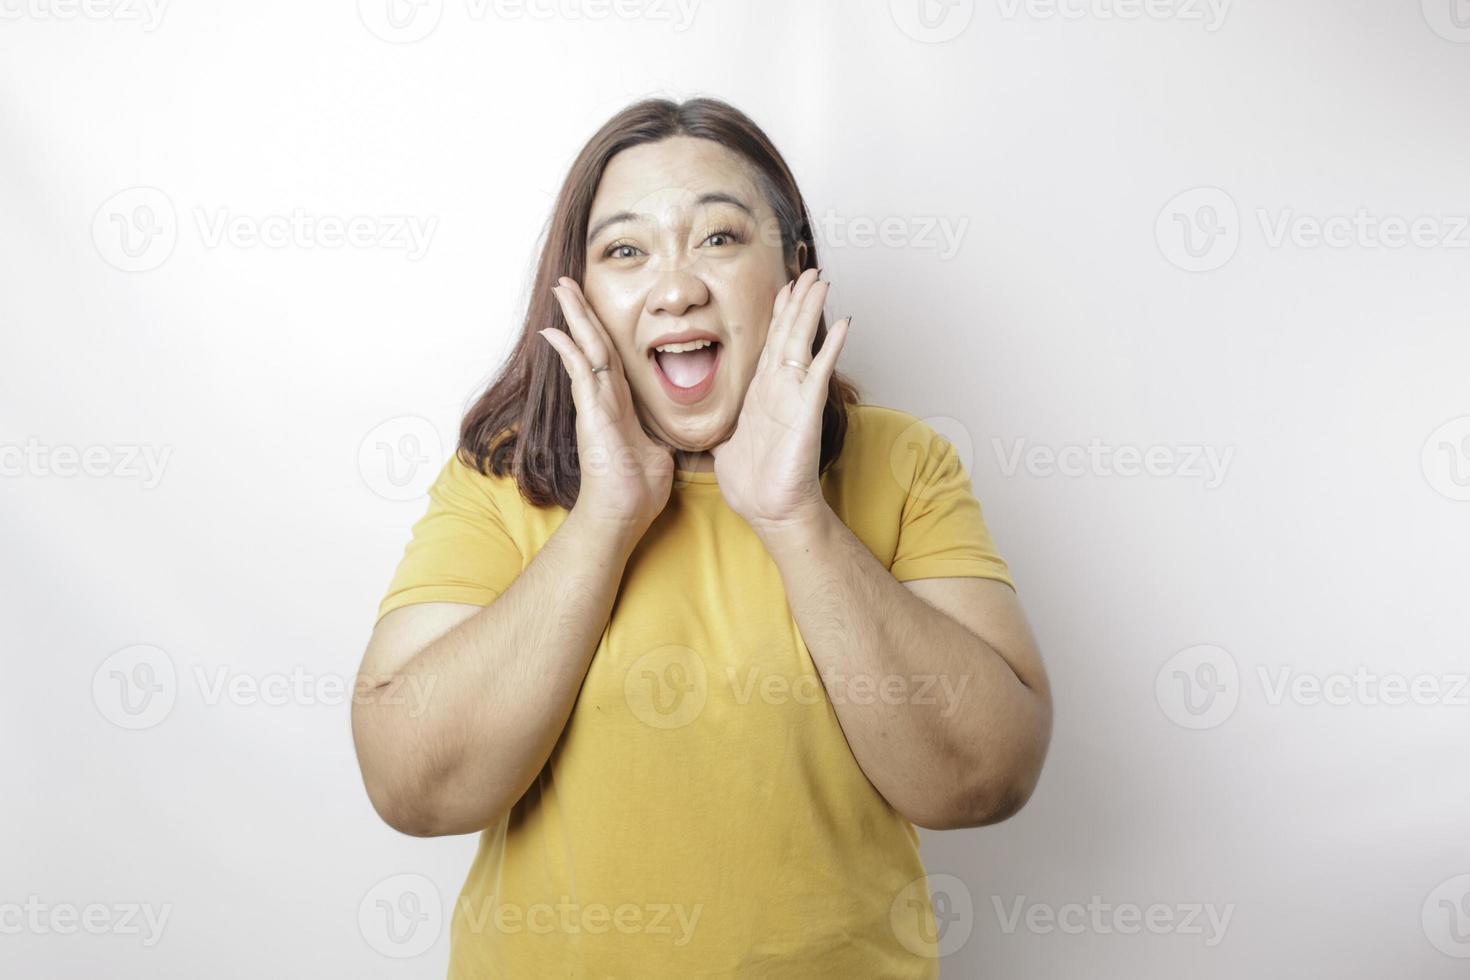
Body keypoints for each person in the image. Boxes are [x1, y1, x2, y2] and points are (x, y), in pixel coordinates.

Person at [350, 96, 1052, 978]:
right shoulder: (503, 477)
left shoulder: (904, 462)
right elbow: (413, 790)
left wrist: (794, 518)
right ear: (579, 297)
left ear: (793, 268)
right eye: (625, 250)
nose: (677, 287)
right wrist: (608, 515)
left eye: (719, 239)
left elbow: (985, 780)